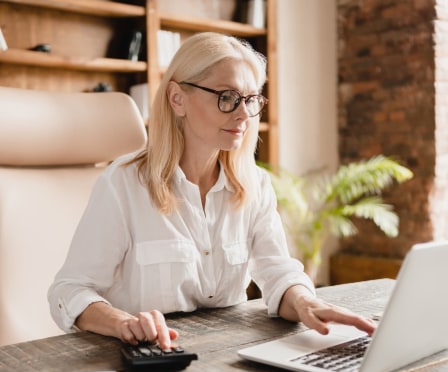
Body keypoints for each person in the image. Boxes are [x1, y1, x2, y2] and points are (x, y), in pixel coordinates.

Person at [48, 32, 375, 350]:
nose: (244, 114)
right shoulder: (123, 183)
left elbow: (277, 271)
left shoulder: (255, 185)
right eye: (227, 97)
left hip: (226, 356)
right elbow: (70, 290)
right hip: (147, 362)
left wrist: (305, 302)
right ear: (177, 99)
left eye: (250, 100)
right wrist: (122, 323)